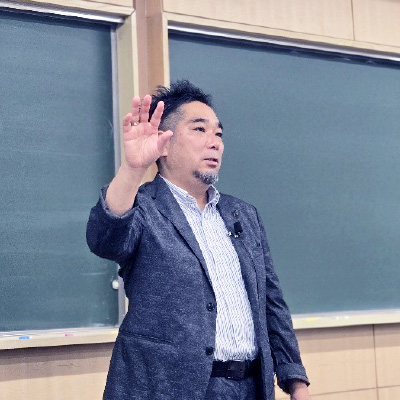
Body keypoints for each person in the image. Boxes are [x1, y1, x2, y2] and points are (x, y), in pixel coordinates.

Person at [86, 80, 311, 400]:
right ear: (164, 144)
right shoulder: (145, 208)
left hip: (249, 387)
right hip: (169, 389)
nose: (214, 142)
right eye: (199, 129)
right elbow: (104, 239)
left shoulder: (243, 215)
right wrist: (133, 169)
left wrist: (296, 382)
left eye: (218, 133)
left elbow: (271, 302)